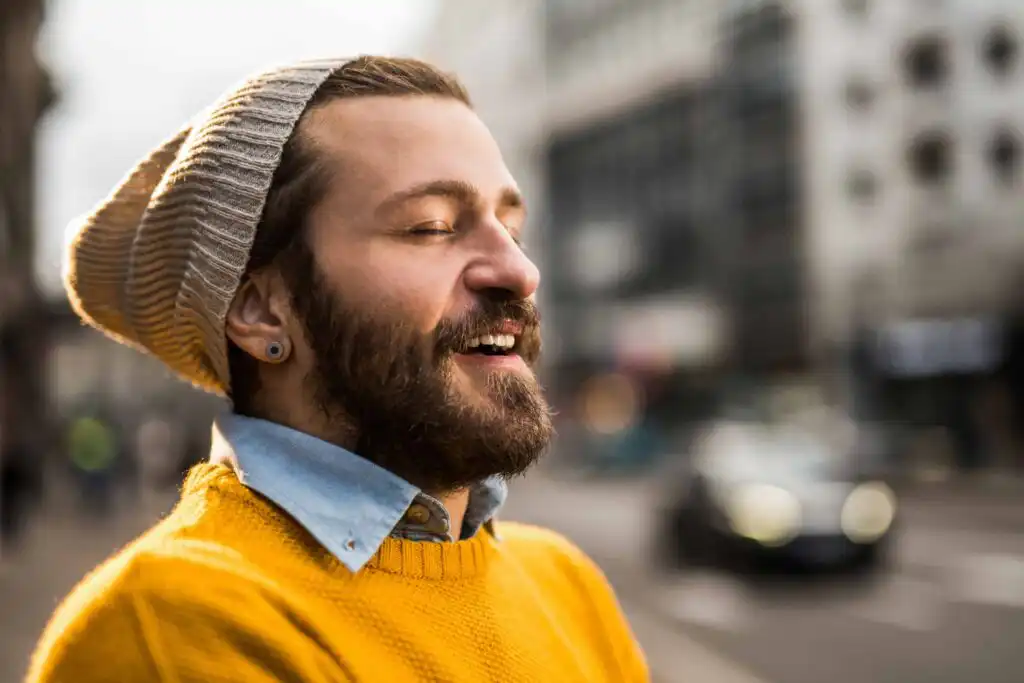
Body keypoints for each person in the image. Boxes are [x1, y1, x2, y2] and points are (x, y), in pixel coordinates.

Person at [27, 56, 648, 682]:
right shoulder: (171, 625)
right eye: (431, 226)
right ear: (262, 312)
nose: (520, 272)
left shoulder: (568, 586)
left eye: (512, 229)